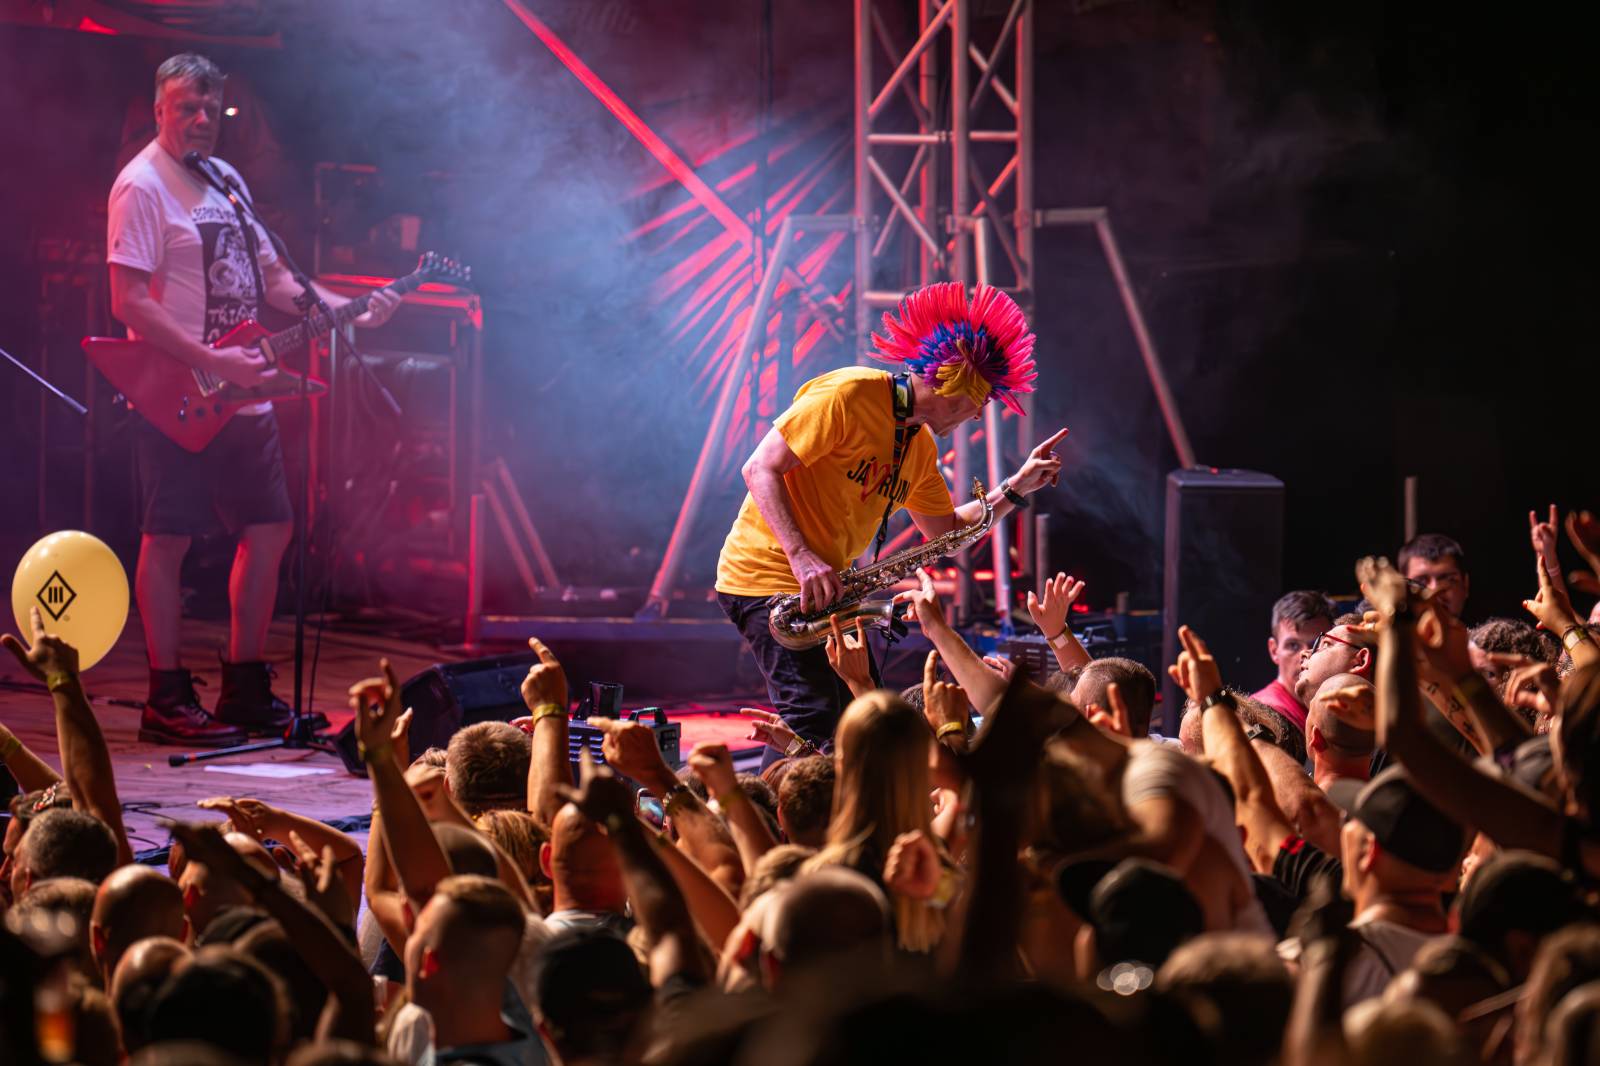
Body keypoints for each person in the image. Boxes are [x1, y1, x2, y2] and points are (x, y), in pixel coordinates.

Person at [106, 53, 400, 745]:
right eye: (186, 107)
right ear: (159, 109)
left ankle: (241, 685)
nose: (201, 120)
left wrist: (349, 310)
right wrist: (210, 359)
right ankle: (165, 695)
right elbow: (127, 302)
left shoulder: (227, 183)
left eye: (211, 109)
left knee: (269, 530)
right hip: (175, 394)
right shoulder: (141, 186)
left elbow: (276, 282)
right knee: (167, 537)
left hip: (245, 397)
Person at [714, 282, 1064, 749]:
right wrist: (800, 555)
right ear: (953, 383)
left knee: (866, 718)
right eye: (980, 402)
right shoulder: (851, 393)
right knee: (817, 725)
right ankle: (780, 816)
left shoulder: (920, 449)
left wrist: (1015, 489)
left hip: (826, 591)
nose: (979, 417)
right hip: (765, 581)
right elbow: (759, 468)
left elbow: (946, 533)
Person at [1253, 590, 1336, 732]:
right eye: (1293, 645)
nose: (1305, 655)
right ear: (1274, 651)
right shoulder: (1265, 713)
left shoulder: (1334, 708)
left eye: (1317, 645)